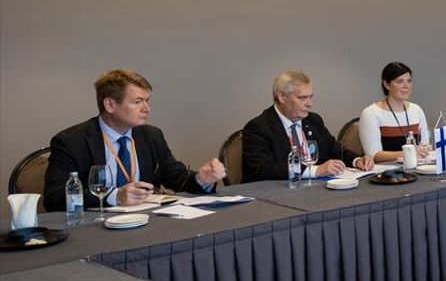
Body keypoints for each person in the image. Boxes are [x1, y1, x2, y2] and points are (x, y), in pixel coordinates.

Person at [43, 69, 225, 211]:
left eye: (147, 101)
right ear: (110, 105)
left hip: (147, 222)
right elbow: (54, 199)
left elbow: (176, 178)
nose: (147, 108)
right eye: (137, 102)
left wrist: (202, 179)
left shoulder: (151, 136)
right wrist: (115, 196)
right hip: (97, 229)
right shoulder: (72, 142)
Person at [241, 70, 368, 183]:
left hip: (315, 190)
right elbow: (264, 169)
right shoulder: (258, 127)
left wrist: (356, 160)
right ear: (282, 97)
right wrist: (315, 170)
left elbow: (335, 150)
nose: (309, 104)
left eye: (311, 97)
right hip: (276, 194)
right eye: (302, 98)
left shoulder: (313, 120)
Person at [358, 62, 433, 164]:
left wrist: (424, 150)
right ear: (386, 84)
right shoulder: (371, 113)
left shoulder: (416, 110)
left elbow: (424, 145)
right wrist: (406, 153)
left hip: (416, 167)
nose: (406, 86)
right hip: (386, 171)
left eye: (409, 81)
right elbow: (373, 155)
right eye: (400, 81)